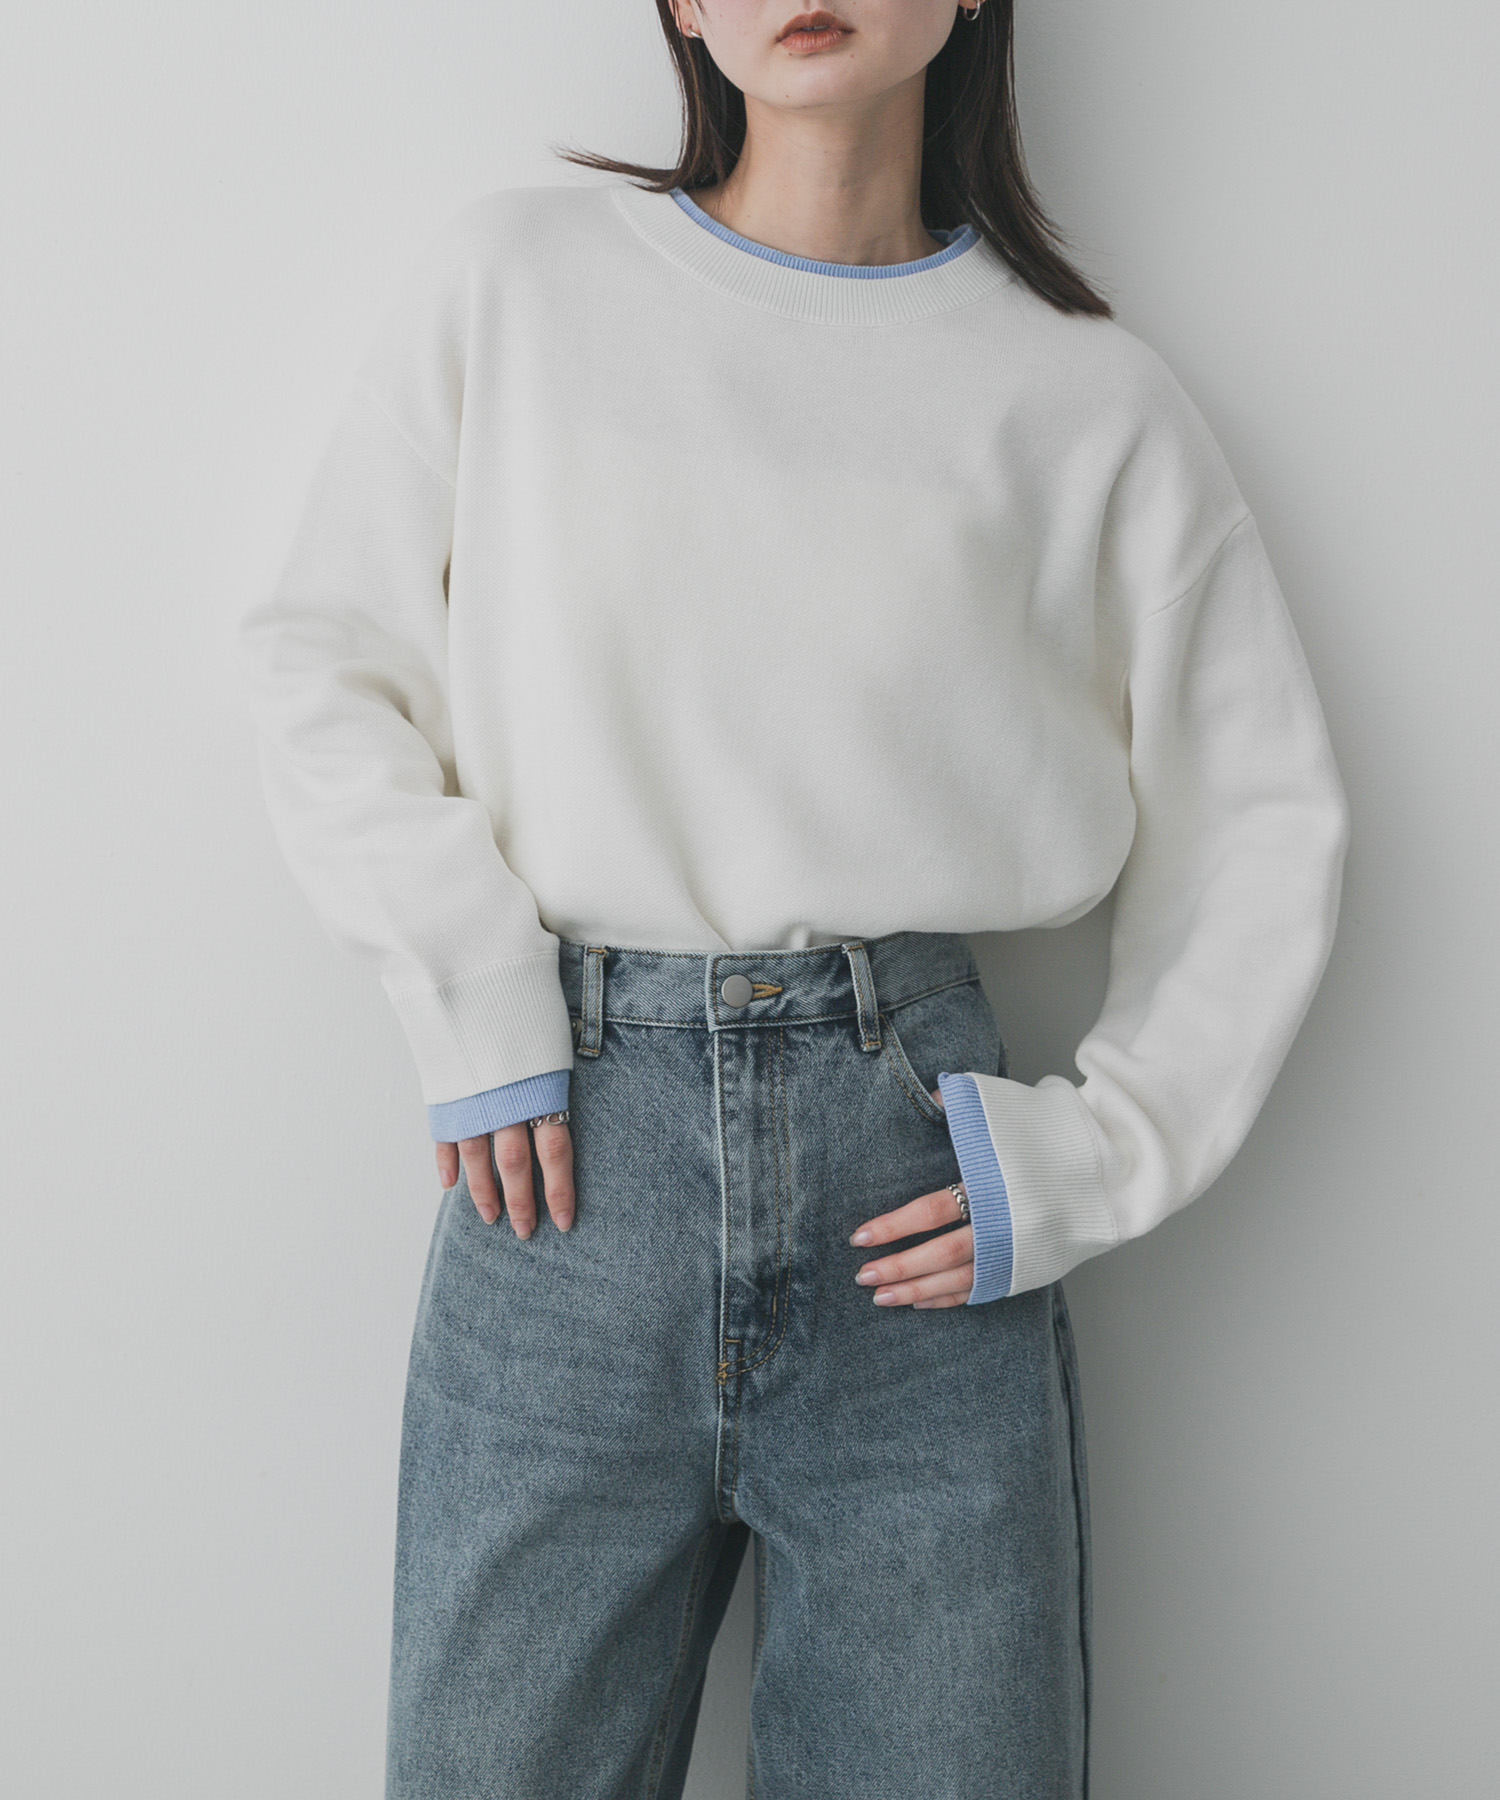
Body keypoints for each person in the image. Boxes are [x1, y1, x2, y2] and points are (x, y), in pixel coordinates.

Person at [236, 2, 1349, 1794]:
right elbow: (323, 658)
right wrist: (471, 997)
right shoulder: (516, 286)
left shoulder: (1088, 398)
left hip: (916, 1177)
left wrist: (1096, 1154)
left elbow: (1264, 824)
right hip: (564, 1168)